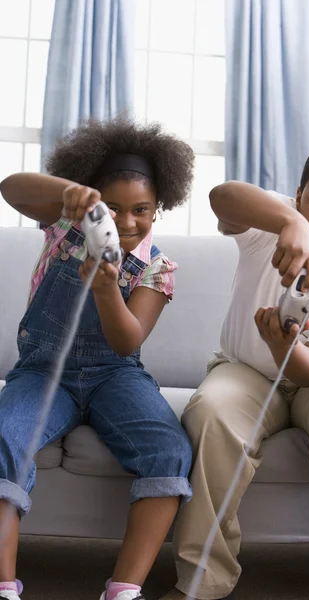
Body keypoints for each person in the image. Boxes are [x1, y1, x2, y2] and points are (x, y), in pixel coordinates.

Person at [161, 142, 309, 600]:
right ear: (298, 196)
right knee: (212, 411)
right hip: (248, 370)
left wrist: (285, 345)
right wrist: (289, 222)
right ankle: (202, 580)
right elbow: (221, 196)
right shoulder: (270, 225)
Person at [0, 116, 195, 600]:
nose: (126, 223)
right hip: (44, 370)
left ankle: (124, 588)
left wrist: (108, 289)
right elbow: (11, 187)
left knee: (169, 450)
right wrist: (74, 194)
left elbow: (128, 342)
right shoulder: (64, 228)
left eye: (142, 210)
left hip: (116, 374)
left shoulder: (156, 267)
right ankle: (4, 584)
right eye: (113, 208)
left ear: (160, 208)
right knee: (3, 438)